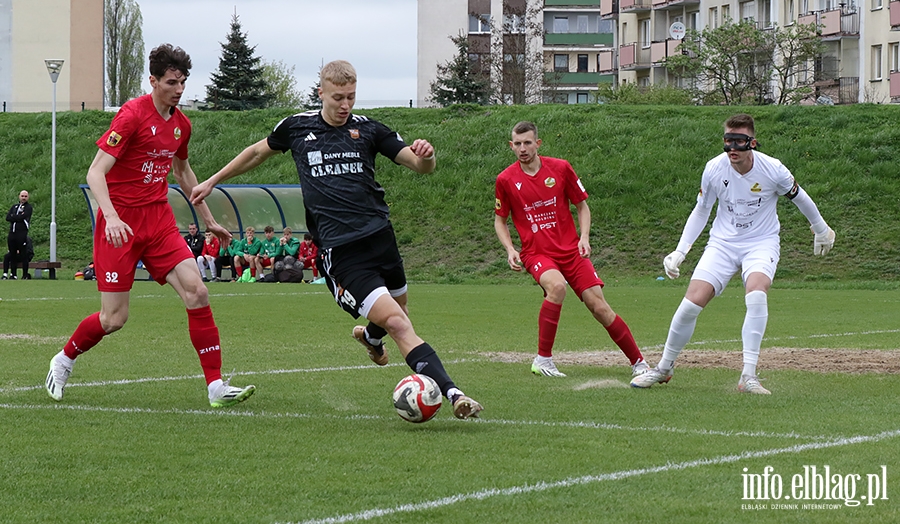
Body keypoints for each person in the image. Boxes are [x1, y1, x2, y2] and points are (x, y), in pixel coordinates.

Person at [191, 59, 482, 419]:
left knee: (399, 314)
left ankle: (371, 339)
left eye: (351, 97)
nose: (345, 106)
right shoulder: (297, 128)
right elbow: (256, 152)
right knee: (399, 323)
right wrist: (212, 181)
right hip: (342, 251)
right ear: (321, 93)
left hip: (381, 238)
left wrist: (428, 156)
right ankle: (454, 394)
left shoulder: (369, 129)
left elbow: (418, 166)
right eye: (338, 98)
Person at [43, 43, 255, 408]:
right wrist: (110, 216)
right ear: (153, 81)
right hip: (120, 226)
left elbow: (183, 172)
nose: (179, 89)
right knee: (114, 318)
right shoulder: (130, 117)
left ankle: (216, 386)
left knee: (197, 291)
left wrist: (208, 220)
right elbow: (96, 172)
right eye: (172, 82)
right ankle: (63, 359)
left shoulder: (180, 124)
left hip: (158, 222)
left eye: (183, 82)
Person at [631, 114, 836, 395]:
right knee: (690, 304)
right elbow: (702, 209)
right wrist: (681, 250)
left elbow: (799, 197)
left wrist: (821, 228)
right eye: (728, 141)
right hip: (722, 244)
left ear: (752, 142)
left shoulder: (773, 169)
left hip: (761, 243)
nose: (732, 149)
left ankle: (748, 377)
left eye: (739, 142)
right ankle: (664, 368)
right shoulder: (714, 168)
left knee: (756, 294)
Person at [494, 121, 648, 378]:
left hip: (571, 252)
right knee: (556, 287)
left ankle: (639, 363)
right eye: (517, 144)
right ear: (511, 146)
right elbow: (500, 220)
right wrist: (510, 249)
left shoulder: (561, 168)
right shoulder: (506, 179)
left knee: (599, 306)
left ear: (538, 144)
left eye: (527, 143)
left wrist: (584, 237)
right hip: (537, 253)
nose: (522, 148)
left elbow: (582, 206)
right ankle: (543, 360)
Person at [4, 190, 32, 280]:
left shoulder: (28, 207)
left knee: (23, 255)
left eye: (25, 196)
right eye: (22, 196)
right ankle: (13, 274)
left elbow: (23, 217)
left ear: (28, 197)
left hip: (21, 234)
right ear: (19, 196)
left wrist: (14, 217)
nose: (23, 197)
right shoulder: (14, 207)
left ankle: (24, 275)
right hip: (12, 233)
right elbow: (8, 217)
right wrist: (16, 217)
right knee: (12, 254)